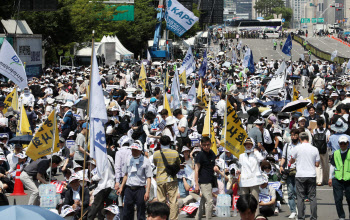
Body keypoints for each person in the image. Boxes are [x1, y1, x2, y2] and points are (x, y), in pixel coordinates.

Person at [117, 142, 152, 220]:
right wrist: (121, 187)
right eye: (132, 150)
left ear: (140, 151)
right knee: (127, 210)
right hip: (129, 188)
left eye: (135, 150)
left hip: (140, 188)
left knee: (141, 210)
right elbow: (125, 174)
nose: (133, 152)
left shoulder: (145, 161)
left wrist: (147, 191)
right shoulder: (128, 159)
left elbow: (148, 177)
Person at [290, 132, 320, 220]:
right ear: (308, 138)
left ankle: (301, 217)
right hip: (311, 175)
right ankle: (314, 217)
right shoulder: (314, 149)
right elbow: (317, 164)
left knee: (300, 198)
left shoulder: (297, 148)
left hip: (300, 175)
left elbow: (291, 160)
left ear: (300, 139)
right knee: (312, 197)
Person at [153, 136, 181, 220]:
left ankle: (161, 218)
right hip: (171, 179)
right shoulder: (175, 153)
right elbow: (178, 163)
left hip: (160, 179)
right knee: (173, 201)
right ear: (169, 143)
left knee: (161, 201)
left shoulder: (156, 153)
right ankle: (173, 218)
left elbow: (155, 164)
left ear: (160, 143)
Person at [194, 136, 217, 220]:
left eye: (208, 144)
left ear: (210, 144)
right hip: (203, 181)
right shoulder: (200, 155)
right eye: (204, 145)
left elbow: (214, 163)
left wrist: (216, 167)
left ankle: (197, 218)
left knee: (203, 201)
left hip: (210, 180)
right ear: (201, 145)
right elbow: (196, 170)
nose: (206, 147)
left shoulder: (211, 153)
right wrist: (196, 184)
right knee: (210, 201)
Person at [328, 135, 350, 220]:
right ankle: (341, 216)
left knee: (349, 199)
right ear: (339, 144)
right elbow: (332, 166)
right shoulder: (336, 153)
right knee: (338, 199)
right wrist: (330, 178)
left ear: (348, 143)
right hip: (337, 179)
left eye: (344, 143)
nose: (343, 145)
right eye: (341, 143)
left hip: (348, 179)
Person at [237, 137, 264, 206]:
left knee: (255, 200)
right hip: (244, 180)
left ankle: (256, 215)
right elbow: (240, 167)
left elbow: (261, 159)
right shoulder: (241, 155)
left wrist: (256, 151)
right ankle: (245, 216)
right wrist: (238, 171)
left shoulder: (256, 154)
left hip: (254, 179)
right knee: (244, 200)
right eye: (246, 144)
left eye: (250, 144)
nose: (248, 145)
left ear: (253, 145)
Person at [280, 128, 299, 219]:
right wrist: (281, 166)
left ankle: (300, 209)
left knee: (298, 192)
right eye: (292, 135)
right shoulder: (287, 146)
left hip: (299, 171)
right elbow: (283, 157)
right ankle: (293, 211)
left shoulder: (301, 146)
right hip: (289, 171)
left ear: (298, 136)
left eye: (295, 135)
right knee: (290, 192)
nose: (293, 137)